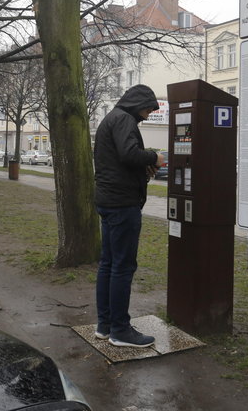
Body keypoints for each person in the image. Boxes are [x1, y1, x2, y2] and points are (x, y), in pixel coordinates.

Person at [93, 84, 165, 348]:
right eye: (147, 109)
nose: (147, 115)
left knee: (109, 264)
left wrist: (140, 170)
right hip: (123, 204)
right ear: (137, 103)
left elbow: (117, 161)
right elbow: (128, 154)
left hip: (109, 200)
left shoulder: (110, 119)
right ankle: (121, 331)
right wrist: (154, 157)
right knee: (123, 267)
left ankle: (105, 325)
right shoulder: (124, 119)